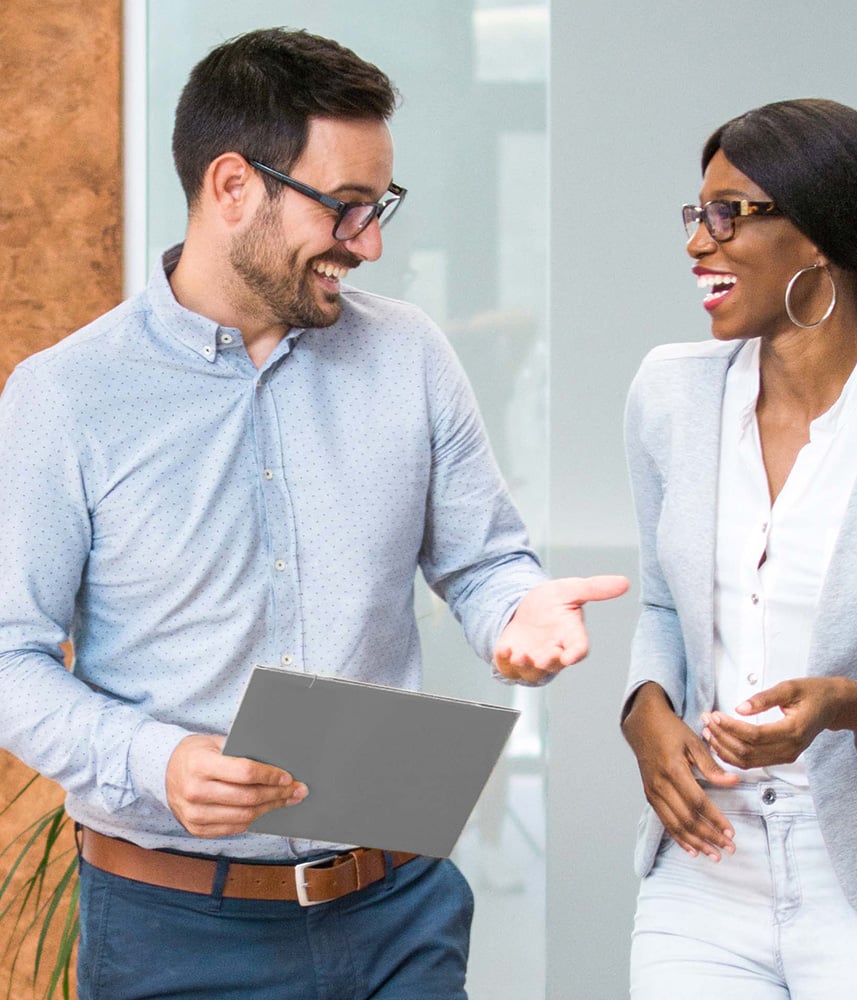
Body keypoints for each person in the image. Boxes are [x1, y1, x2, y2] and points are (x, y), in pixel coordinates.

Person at [0, 27, 627, 1000]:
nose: (371, 243)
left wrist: (519, 609)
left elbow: (482, 559)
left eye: (380, 208)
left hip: (395, 904)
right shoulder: (66, 399)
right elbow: (8, 658)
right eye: (344, 207)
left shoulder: (409, 355)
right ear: (231, 186)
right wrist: (154, 762)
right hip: (176, 931)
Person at [621, 97, 857, 1000]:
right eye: (695, 214)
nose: (697, 243)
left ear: (822, 235)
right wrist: (643, 709)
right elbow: (664, 605)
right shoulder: (668, 395)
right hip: (701, 871)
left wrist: (842, 704)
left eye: (729, 214)